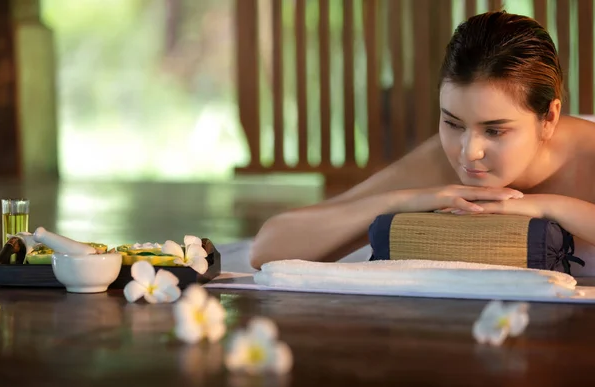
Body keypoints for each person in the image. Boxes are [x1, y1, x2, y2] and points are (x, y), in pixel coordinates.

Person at [250, 11, 595, 272]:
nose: (468, 152)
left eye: (495, 130)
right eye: (453, 123)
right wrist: (412, 199)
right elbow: (268, 247)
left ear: (548, 117)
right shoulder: (441, 161)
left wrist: (551, 207)